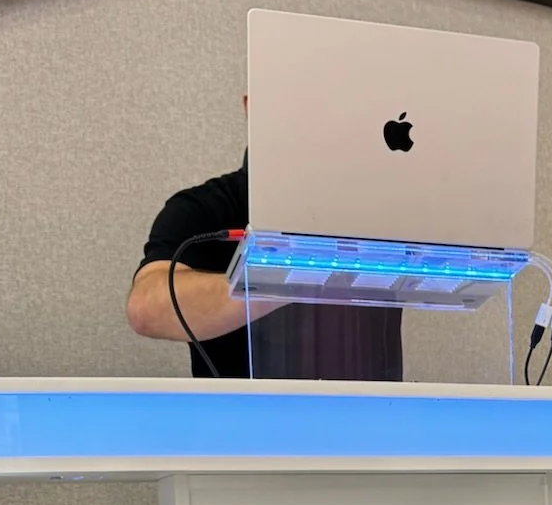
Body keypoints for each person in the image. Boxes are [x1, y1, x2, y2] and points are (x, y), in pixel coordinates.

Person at [126, 125, 403, 378]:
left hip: (367, 421)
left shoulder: (376, 209)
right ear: (250, 104)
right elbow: (146, 309)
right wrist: (297, 276)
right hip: (237, 424)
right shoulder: (202, 208)